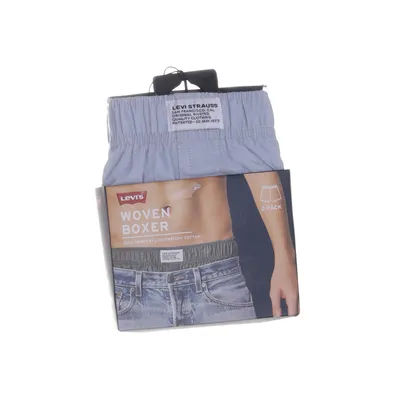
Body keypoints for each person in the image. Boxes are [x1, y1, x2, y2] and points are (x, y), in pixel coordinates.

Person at [103, 88, 298, 330]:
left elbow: (260, 170)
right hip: (128, 278)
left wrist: (285, 258)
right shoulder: (131, 134)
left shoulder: (240, 128)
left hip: (216, 276)